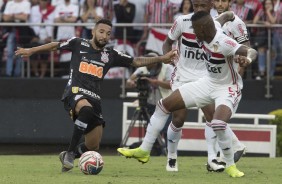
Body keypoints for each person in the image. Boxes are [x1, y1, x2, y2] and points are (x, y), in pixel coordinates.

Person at [15, 18, 177, 172]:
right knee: (85, 110)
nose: (104, 36)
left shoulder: (110, 55)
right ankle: (71, 153)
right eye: (101, 31)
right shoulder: (78, 43)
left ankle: (69, 154)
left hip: (94, 99)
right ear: (93, 31)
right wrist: (31, 50)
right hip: (74, 92)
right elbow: (54, 46)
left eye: (108, 34)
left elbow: (136, 61)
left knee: (93, 145)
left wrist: (162, 58)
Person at [117, 11, 257, 178]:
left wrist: (247, 60)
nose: (194, 33)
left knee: (218, 124)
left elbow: (251, 51)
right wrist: (231, 15)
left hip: (227, 87)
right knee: (163, 105)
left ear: (204, 28)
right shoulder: (213, 24)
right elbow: (225, 16)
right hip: (208, 82)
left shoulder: (223, 42)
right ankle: (144, 150)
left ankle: (230, 165)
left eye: (196, 29)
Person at [163, 0, 246, 173]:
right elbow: (167, 42)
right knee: (178, 119)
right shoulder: (183, 21)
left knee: (212, 117)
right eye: (196, 6)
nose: (199, 9)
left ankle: (212, 159)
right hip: (183, 75)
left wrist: (241, 62)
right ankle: (171, 157)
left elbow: (242, 46)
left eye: (203, 6)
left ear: (210, 6)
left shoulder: (213, 25)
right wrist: (169, 60)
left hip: (205, 77)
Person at [126, 52, 174, 150]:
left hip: (166, 103)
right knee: (152, 129)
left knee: (166, 129)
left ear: (155, 62)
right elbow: (129, 80)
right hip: (150, 103)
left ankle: (170, 152)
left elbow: (172, 84)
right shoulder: (142, 68)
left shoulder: (167, 68)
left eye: (150, 63)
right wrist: (132, 82)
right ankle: (155, 150)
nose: (147, 65)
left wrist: (156, 82)